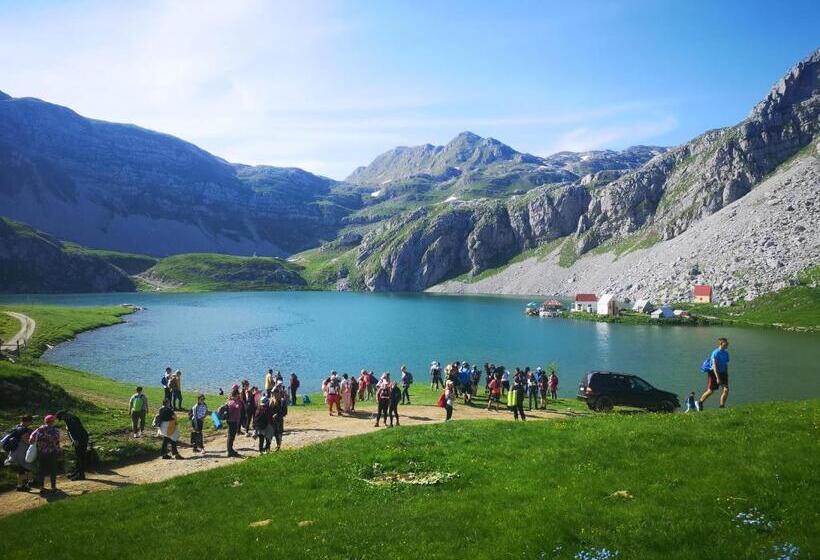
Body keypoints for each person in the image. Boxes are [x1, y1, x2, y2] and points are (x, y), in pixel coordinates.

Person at [29, 414, 61, 495]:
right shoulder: (55, 430)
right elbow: (56, 442)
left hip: (41, 453)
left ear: (45, 421)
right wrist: (58, 451)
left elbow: (31, 438)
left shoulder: (39, 429)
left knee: (41, 471)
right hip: (52, 452)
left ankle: (41, 488)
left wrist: (37, 441)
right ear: (53, 421)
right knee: (53, 470)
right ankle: (53, 487)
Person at [55, 410, 89, 481]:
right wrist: (73, 440)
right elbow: (70, 431)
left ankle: (81, 475)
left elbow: (76, 430)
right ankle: (77, 472)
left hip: (81, 439)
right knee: (78, 456)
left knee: (81, 457)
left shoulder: (72, 419)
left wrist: (76, 440)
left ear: (63, 415)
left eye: (61, 418)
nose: (62, 420)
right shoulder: (69, 418)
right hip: (78, 439)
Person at [3, 414, 34, 491]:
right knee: (24, 468)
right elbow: (26, 440)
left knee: (21, 470)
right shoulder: (24, 430)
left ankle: (22, 484)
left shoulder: (16, 427)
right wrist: (33, 444)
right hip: (21, 451)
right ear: (28, 421)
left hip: (14, 451)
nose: (31, 423)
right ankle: (22, 485)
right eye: (31, 421)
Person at [700, 337, 730, 409]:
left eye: (727, 343)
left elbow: (725, 364)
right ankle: (700, 402)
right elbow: (714, 366)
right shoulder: (715, 353)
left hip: (723, 373)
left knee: (726, 390)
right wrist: (717, 378)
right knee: (710, 391)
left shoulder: (726, 353)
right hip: (713, 373)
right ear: (721, 344)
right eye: (726, 343)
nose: (727, 344)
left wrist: (726, 373)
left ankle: (722, 406)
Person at [225, 387, 243, 457]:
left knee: (231, 435)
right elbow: (238, 406)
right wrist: (238, 403)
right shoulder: (233, 402)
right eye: (238, 395)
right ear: (236, 395)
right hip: (232, 421)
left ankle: (230, 449)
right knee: (231, 436)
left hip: (232, 421)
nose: (239, 396)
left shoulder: (230, 401)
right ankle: (229, 451)